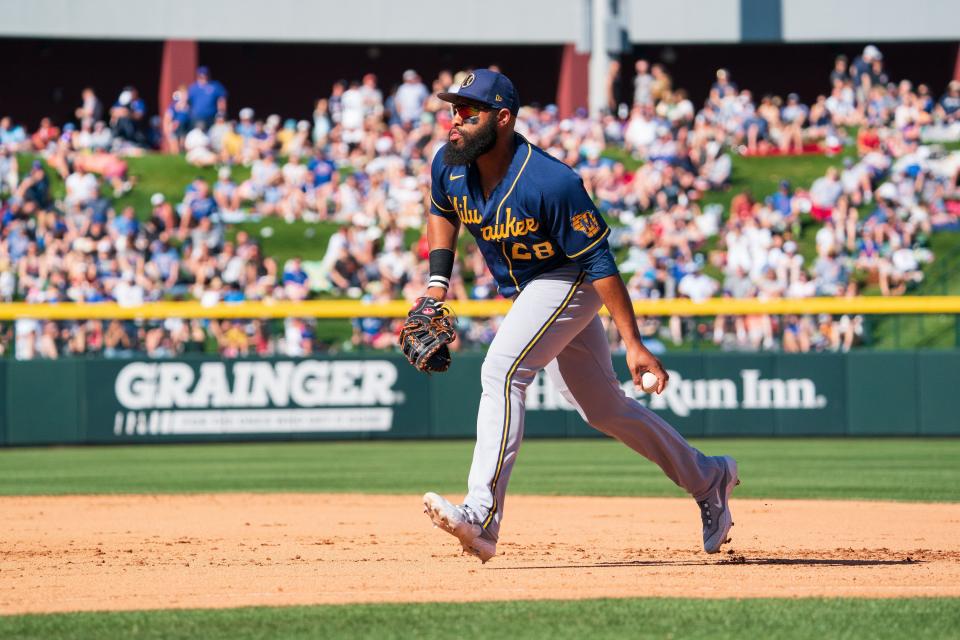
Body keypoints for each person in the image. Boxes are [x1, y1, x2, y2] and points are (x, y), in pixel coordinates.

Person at [419, 69, 739, 563]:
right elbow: (443, 209)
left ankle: (482, 516)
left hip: (572, 277)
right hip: (530, 290)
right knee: (603, 409)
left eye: (468, 111)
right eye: (453, 109)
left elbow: (599, 260)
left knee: (503, 372)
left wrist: (632, 342)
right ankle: (709, 476)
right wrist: (437, 283)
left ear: (502, 118)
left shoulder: (551, 180)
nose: (455, 120)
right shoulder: (450, 164)